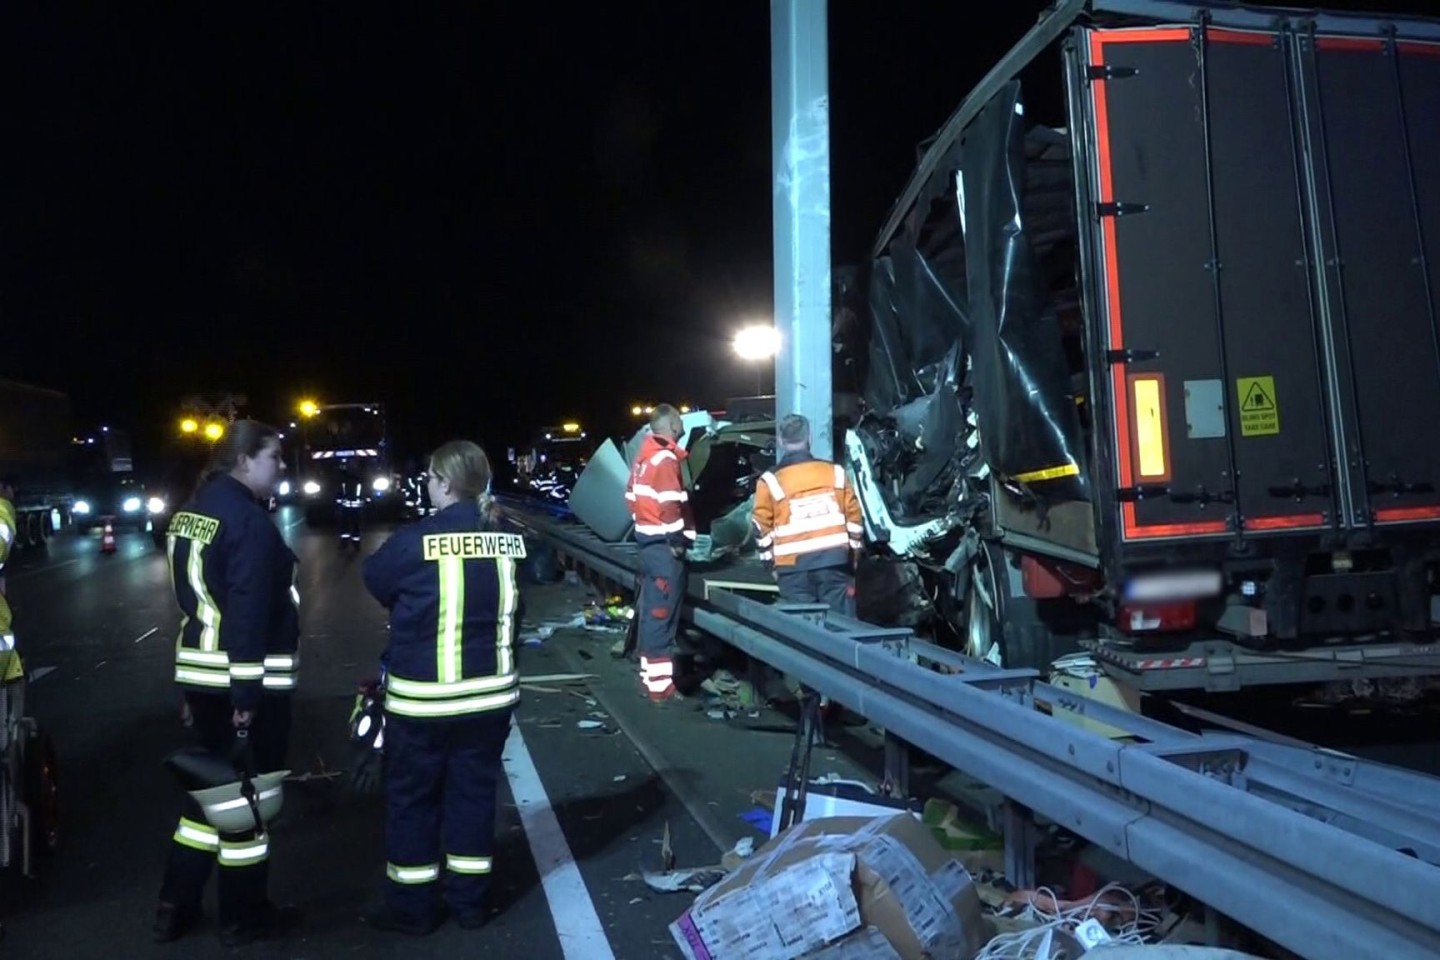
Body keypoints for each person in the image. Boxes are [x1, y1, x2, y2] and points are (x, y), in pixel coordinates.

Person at [360, 440, 522, 935]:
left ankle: (414, 910)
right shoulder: (510, 538)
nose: (427, 484)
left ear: (446, 483)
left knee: (414, 802)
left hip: (423, 703)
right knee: (473, 798)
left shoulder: (414, 542)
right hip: (490, 700)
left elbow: (375, 580)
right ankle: (470, 905)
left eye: (430, 476)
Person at [153, 420, 300, 947]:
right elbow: (246, 615)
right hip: (242, 683)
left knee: (206, 799)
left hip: (201, 674)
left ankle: (175, 904)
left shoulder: (190, 515)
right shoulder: (249, 524)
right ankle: (244, 917)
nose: (282, 466)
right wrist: (246, 698)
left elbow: (196, 607)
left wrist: (191, 693)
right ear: (244, 461)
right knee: (248, 806)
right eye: (275, 456)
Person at [751, 413, 864, 615]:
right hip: (834, 564)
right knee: (845, 631)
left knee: (804, 634)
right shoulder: (835, 472)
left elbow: (761, 528)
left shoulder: (769, 481)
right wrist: (853, 556)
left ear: (780, 441)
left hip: (792, 571)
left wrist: (771, 566)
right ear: (810, 439)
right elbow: (854, 520)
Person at [625, 404, 694, 702]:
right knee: (661, 614)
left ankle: (648, 677)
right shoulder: (665, 459)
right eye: (679, 421)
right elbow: (670, 504)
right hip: (664, 549)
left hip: (648, 544)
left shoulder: (643, 457)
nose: (681, 426)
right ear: (672, 426)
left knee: (652, 611)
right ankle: (660, 688)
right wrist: (677, 541)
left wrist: (645, 523)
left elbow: (630, 497)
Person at [336, 461, 365, 548]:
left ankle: (345, 544)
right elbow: (364, 494)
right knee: (355, 526)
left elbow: (339, 494)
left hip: (346, 508)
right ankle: (356, 544)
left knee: (345, 527)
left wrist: (338, 502)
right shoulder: (360, 482)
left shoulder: (344, 482)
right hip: (357, 508)